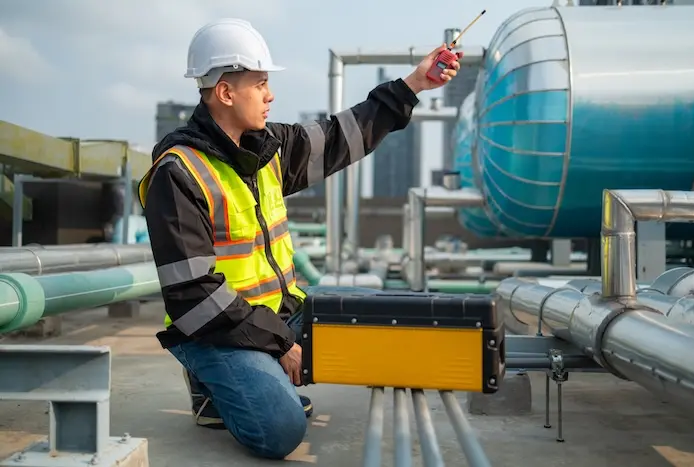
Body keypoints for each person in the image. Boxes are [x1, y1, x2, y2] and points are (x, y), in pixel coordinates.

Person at [138, 18, 461, 460]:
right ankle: (213, 383)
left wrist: (413, 84)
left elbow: (340, 136)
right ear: (226, 93)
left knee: (387, 316)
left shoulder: (268, 147)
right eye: (261, 83)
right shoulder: (177, 175)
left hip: (278, 317)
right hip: (216, 333)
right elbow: (194, 298)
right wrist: (283, 345)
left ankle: (250, 377)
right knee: (282, 429)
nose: (270, 95)